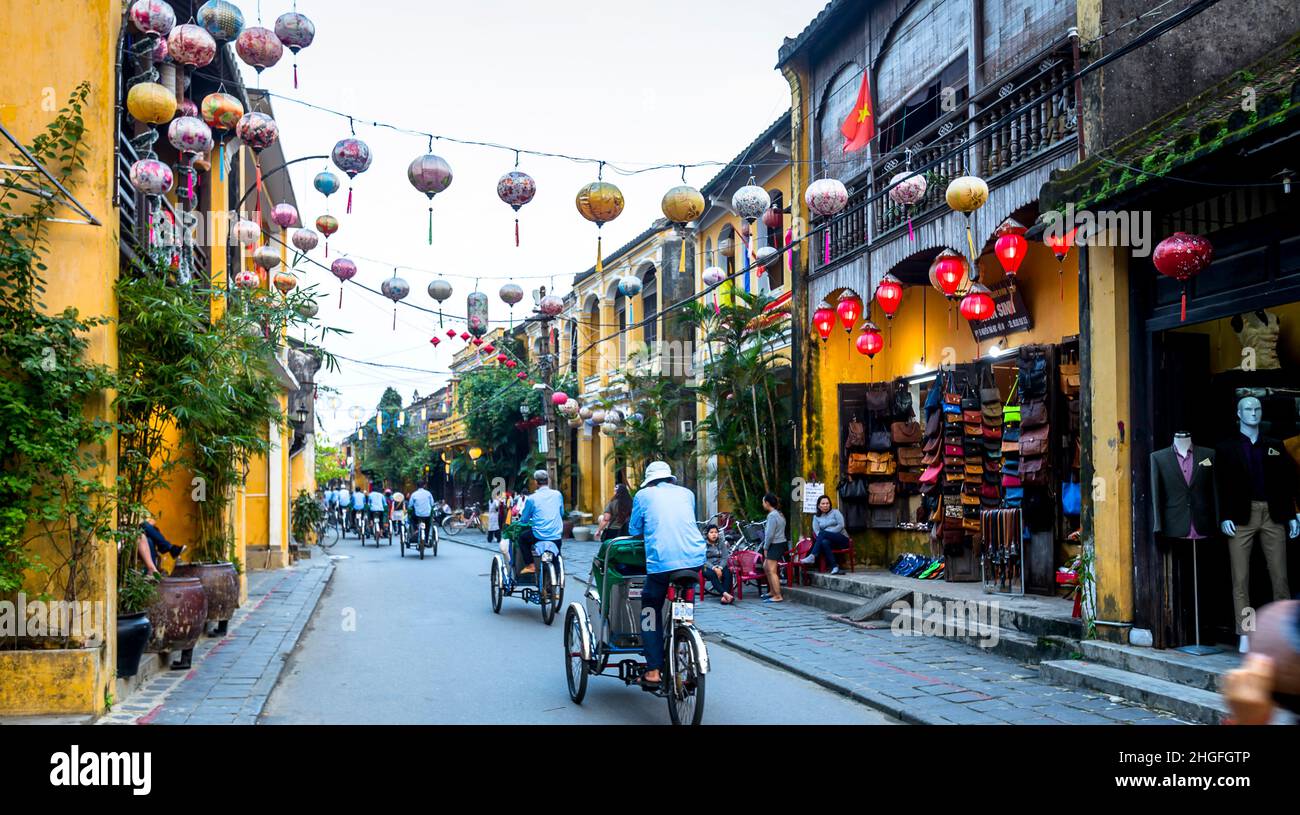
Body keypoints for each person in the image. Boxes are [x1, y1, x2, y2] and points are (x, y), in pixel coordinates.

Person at [629, 461, 708, 690]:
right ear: (669, 478)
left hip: (662, 562)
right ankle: (686, 636)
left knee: (649, 607)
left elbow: (635, 530)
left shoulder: (643, 495)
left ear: (649, 480)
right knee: (686, 605)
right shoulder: (687, 493)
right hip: (694, 559)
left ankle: (653, 670)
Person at [517, 470, 565, 575]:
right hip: (556, 535)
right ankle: (557, 577)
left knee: (522, 538)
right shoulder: (557, 495)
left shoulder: (532, 498)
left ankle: (531, 565)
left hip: (539, 536)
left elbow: (524, 519)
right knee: (557, 555)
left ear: (535, 482)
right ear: (548, 480)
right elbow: (561, 513)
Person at [802, 495, 848, 575]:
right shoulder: (816, 517)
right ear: (819, 506)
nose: (826, 505)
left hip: (842, 539)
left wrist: (827, 532)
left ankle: (812, 555)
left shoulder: (836, 512)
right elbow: (816, 532)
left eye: (827, 503)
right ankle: (834, 567)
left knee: (823, 533)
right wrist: (826, 534)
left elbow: (841, 525)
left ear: (830, 504)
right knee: (824, 542)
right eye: (823, 503)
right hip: (830, 542)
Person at [137, 511, 184, 576]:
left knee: (149, 539)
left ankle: (151, 572)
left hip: (144, 532)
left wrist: (148, 523)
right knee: (144, 526)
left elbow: (153, 520)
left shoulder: (139, 508)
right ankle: (169, 548)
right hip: (132, 533)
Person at [760, 492, 787, 603]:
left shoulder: (772, 516)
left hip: (775, 544)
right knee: (766, 566)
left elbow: (770, 534)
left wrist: (765, 547)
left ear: (767, 503)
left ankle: (778, 595)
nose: (762, 504)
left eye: (763, 502)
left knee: (771, 570)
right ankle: (772, 591)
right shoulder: (779, 514)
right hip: (779, 542)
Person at [702, 523, 734, 604]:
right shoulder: (702, 544)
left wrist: (720, 568)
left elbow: (725, 557)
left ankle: (724, 597)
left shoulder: (721, 543)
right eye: (711, 532)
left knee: (728, 573)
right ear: (707, 534)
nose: (714, 534)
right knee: (712, 574)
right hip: (706, 566)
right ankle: (725, 594)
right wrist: (714, 568)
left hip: (720, 565)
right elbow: (703, 559)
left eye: (716, 532)